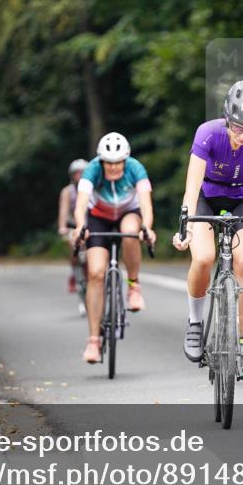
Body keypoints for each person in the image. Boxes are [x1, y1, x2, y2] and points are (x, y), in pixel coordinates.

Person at [172, 79, 243, 378]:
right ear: (227, 118)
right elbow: (191, 185)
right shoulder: (208, 133)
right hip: (205, 197)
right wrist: (184, 225)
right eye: (237, 127)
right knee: (204, 258)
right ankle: (195, 323)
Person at [70, 133, 156, 364]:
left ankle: (133, 286)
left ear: (125, 160)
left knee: (130, 232)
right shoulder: (92, 170)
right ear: (101, 161)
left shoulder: (136, 168)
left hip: (129, 213)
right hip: (99, 217)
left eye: (119, 162)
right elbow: (80, 205)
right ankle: (93, 341)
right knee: (96, 273)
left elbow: (146, 204)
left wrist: (147, 227)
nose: (115, 167)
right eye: (109, 162)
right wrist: (80, 226)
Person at [58, 158, 89, 313]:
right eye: (77, 173)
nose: (80, 176)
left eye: (83, 172)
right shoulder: (67, 192)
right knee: (74, 247)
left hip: (90, 225)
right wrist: (62, 227)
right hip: (73, 225)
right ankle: (74, 272)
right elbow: (64, 211)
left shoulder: (93, 188)